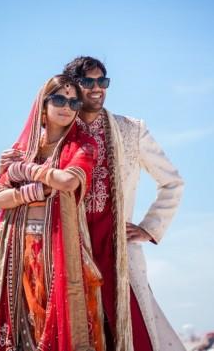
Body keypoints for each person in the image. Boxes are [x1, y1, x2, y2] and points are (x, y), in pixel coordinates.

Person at [0, 75, 105, 351]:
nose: (66, 106)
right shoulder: (21, 149)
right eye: (58, 99)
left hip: (59, 247)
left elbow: (68, 182)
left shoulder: (83, 146)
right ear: (42, 106)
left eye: (73, 101)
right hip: (16, 246)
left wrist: (25, 171)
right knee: (21, 321)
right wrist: (36, 191)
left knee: (55, 322)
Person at [62, 56, 186, 351]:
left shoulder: (131, 129)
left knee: (133, 334)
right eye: (88, 81)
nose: (97, 88)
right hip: (70, 248)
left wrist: (149, 228)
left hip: (117, 248)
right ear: (73, 87)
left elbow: (172, 182)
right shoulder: (61, 131)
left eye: (102, 81)